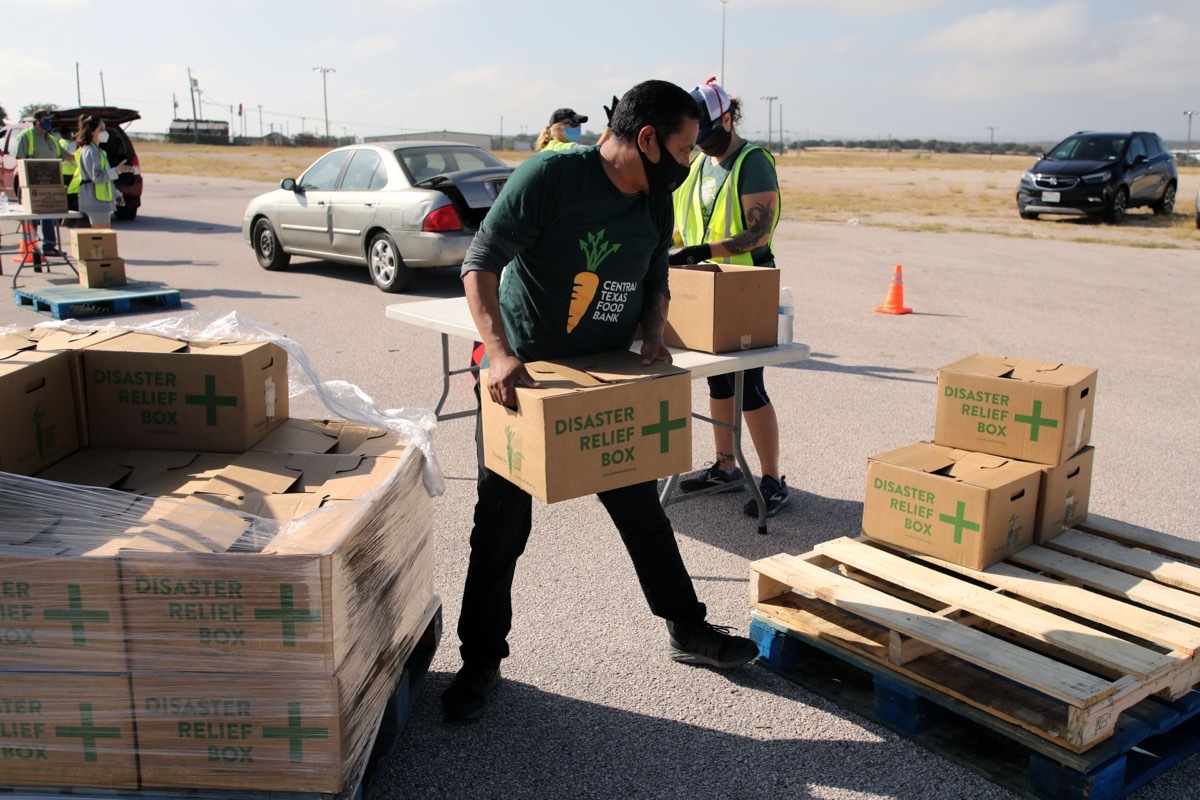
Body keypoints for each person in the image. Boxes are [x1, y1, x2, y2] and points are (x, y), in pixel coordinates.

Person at [445, 79, 759, 723]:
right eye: (682, 147)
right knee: (501, 523)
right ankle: (480, 660)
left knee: (642, 508)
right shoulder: (551, 178)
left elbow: (656, 279)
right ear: (645, 140)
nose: (691, 160)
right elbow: (480, 263)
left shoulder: (655, 199)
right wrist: (499, 352)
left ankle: (686, 629)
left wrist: (650, 334)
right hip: (527, 382)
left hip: (604, 380)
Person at [669, 79, 788, 518]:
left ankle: (774, 478)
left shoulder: (752, 162)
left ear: (726, 118)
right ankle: (726, 465)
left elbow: (759, 230)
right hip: (704, 286)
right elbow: (684, 222)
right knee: (717, 380)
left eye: (704, 134)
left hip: (745, 287)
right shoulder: (699, 165)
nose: (698, 145)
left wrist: (705, 251)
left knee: (749, 385)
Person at [14, 110, 73, 255]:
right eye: (45, 120)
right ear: (36, 121)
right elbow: (20, 160)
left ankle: (49, 247)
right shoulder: (26, 136)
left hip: (51, 184)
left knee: (49, 218)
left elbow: (67, 157)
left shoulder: (52, 139)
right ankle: (31, 248)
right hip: (33, 184)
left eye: (49, 120)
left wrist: (82, 156)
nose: (48, 123)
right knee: (33, 219)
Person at [69, 115, 133, 229]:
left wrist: (116, 194)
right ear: (92, 132)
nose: (105, 132)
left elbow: (106, 179)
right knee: (101, 238)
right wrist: (117, 170)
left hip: (100, 201)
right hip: (95, 201)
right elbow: (97, 177)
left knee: (102, 238)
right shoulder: (91, 151)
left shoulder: (98, 151)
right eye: (101, 129)